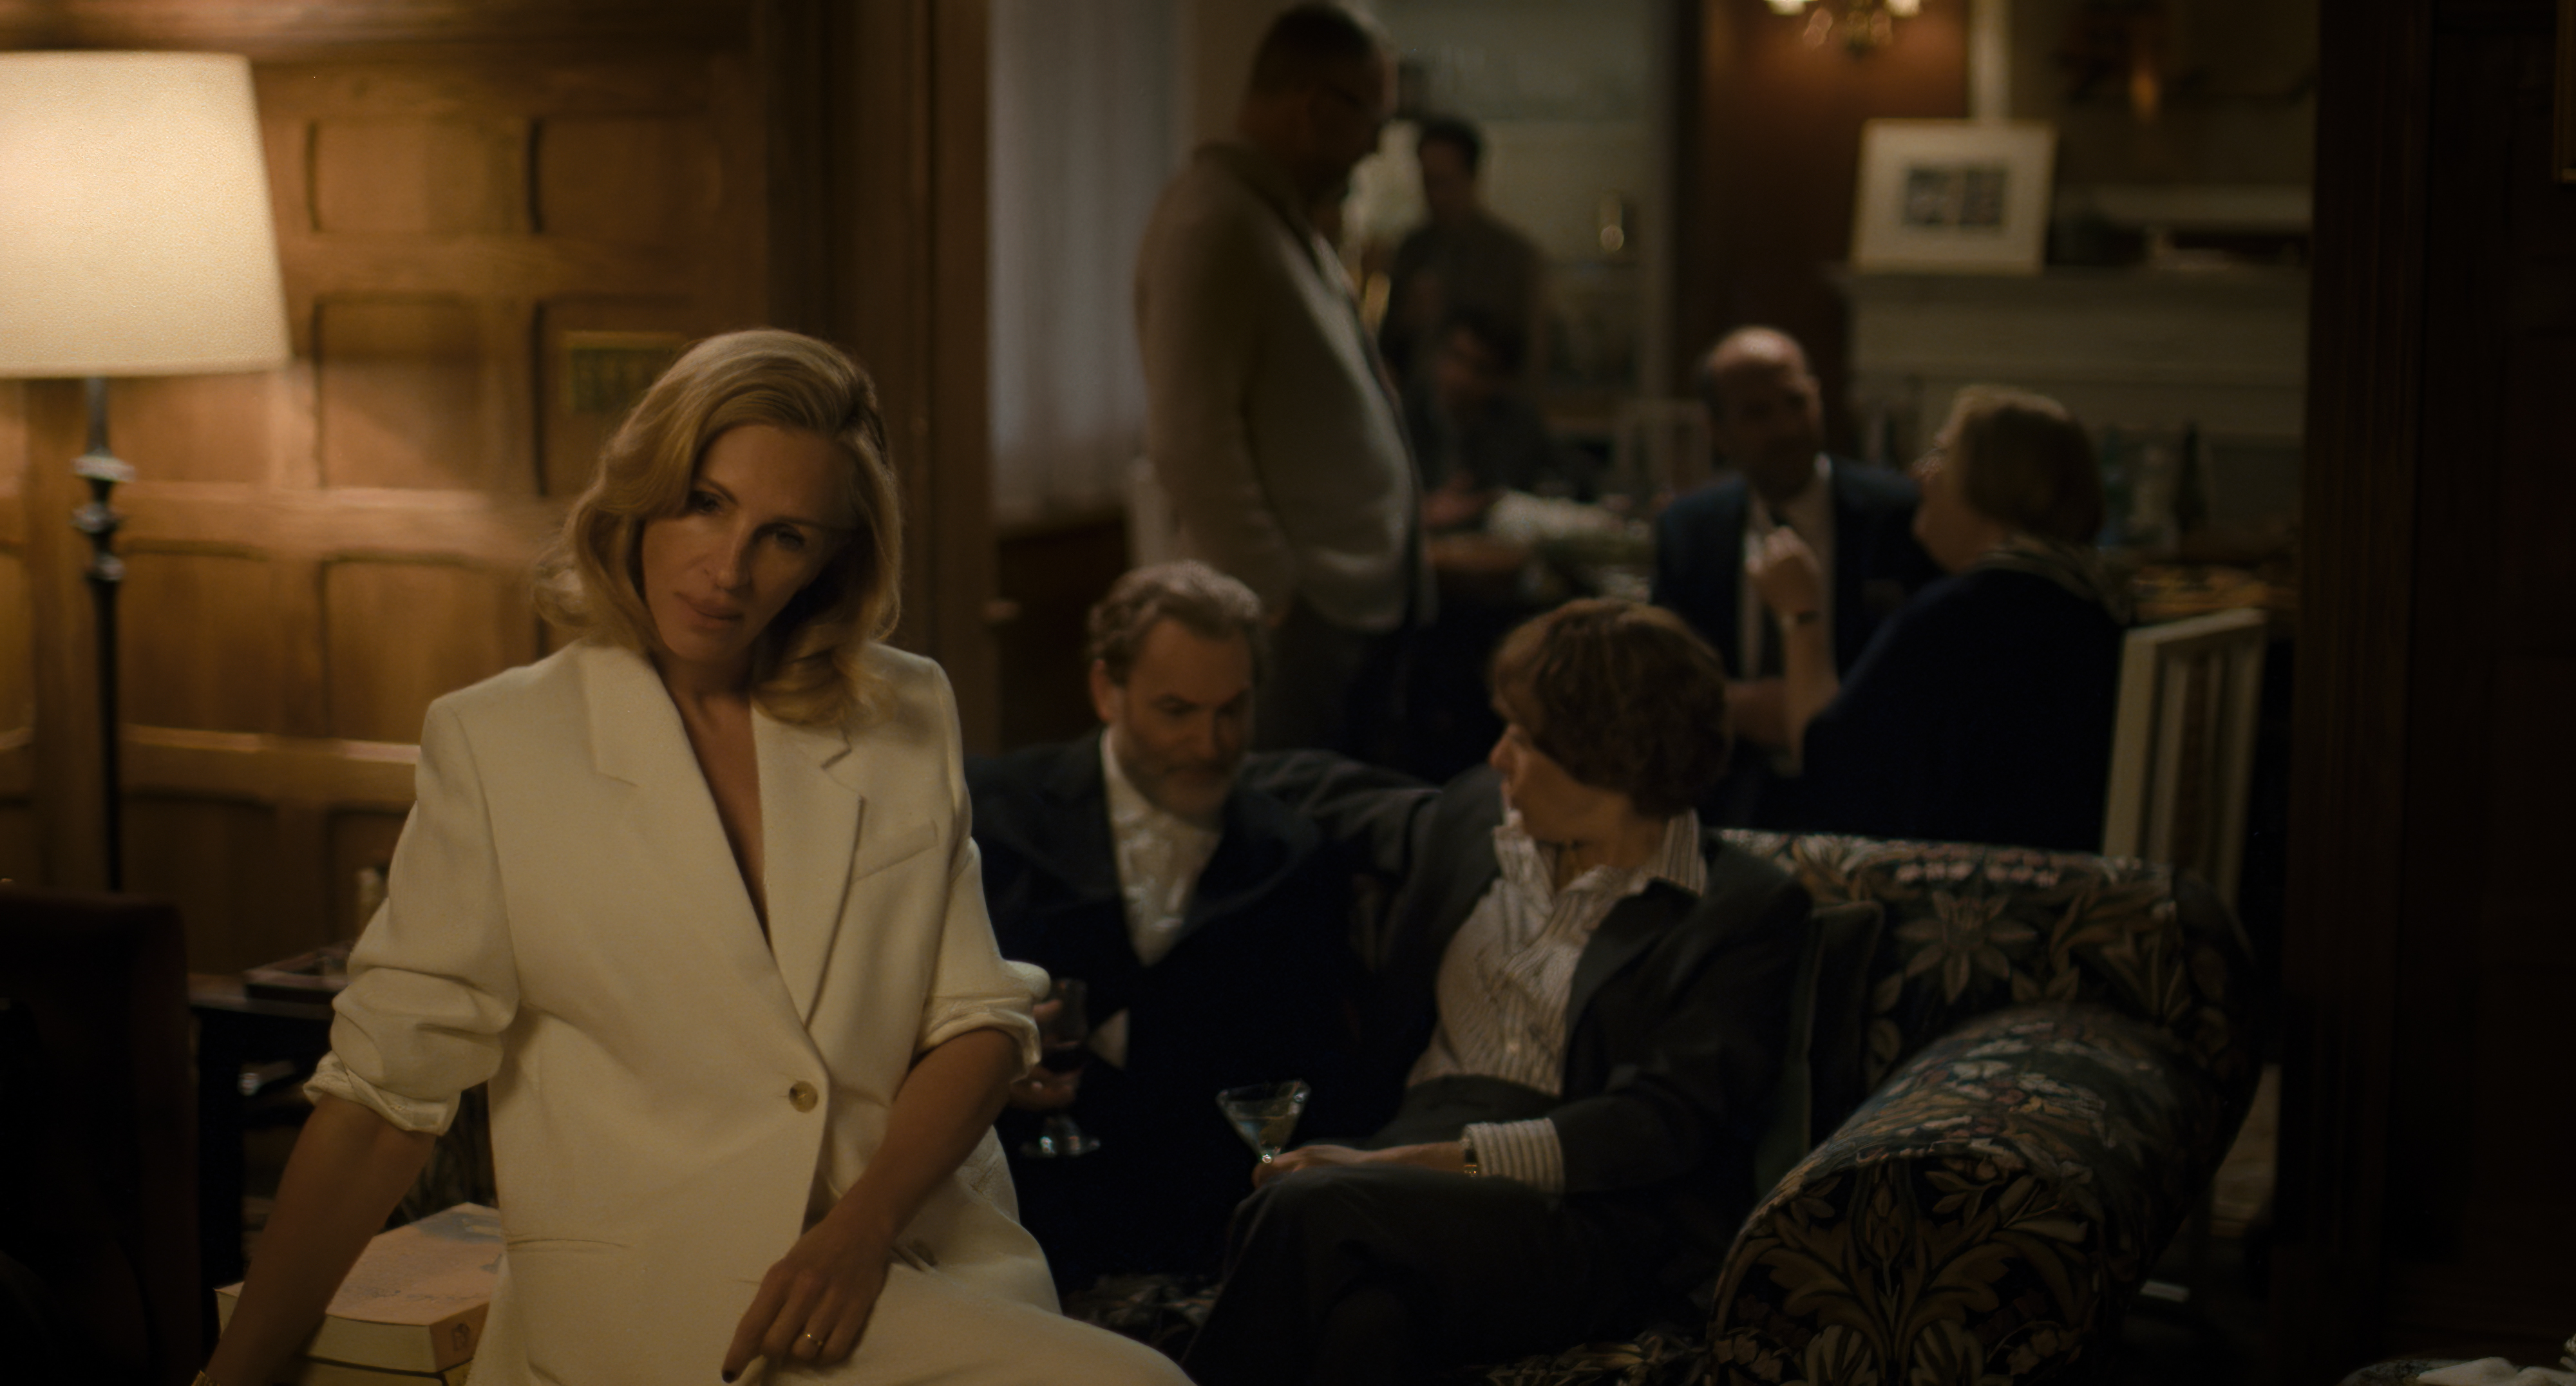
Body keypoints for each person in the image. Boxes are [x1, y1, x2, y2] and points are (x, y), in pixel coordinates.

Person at [198, 330, 1186, 1386]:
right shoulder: (500, 744)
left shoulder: (902, 710)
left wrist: (860, 1227)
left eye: (785, 536)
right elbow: (380, 1105)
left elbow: (978, 1020)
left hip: (898, 1255)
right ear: (640, 497)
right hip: (651, 1301)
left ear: (833, 557)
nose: (729, 569)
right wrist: (233, 1373)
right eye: (705, 504)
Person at [1184, 600, 1813, 1386]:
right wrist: (1161, 770)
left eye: (1522, 736)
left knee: (1298, 1204)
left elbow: (1657, 1122)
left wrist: (1399, 1163)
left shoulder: (1741, 908)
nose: (1497, 754)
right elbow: (1321, 793)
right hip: (1394, 1181)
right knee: (1365, 1323)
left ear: (1606, 757)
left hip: (1580, 1212)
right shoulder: (1477, 818)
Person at [968, 562, 1358, 1285]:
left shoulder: (1292, 856)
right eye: (1176, 711)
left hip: (1198, 1224)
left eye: (1232, 710)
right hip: (1004, 1202)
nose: (1210, 744)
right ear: (1105, 690)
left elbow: (1309, 1074)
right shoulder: (994, 814)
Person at [1133, 3, 1423, 755]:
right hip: (1299, 620)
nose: (1374, 147)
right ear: (1314, 106)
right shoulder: (1214, 220)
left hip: (1339, 607)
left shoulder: (1279, 218)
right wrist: (1270, 594)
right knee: (1285, 811)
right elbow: (1190, 438)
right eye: (1372, 120)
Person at [1750, 385, 2130, 851]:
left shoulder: (1958, 619)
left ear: (1993, 481)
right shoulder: (2095, 603)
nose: (1919, 474)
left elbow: (1831, 768)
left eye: (1943, 455)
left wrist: (1800, 612)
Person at [1651, 326, 1940, 826]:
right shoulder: (1690, 528)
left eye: (1796, 402)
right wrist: (1734, 706)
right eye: (1757, 413)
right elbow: (1660, 676)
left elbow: (1928, 677)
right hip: (1726, 799)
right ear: (1716, 430)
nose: (1786, 428)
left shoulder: (1898, 515)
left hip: (1867, 795)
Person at [1377, 114, 1547, 395]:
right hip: (1416, 410)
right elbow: (1387, 352)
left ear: (1471, 178)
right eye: (1428, 183)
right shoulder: (1413, 250)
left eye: (1444, 183)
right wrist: (1406, 320)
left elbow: (1529, 362)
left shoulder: (1512, 257)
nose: (1435, 197)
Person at [1407, 307, 1584, 533]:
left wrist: (1489, 504)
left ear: (1500, 381)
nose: (1461, 377)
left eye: (1479, 369)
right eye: (1456, 357)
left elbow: (1569, 476)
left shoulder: (1515, 424)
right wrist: (1419, 511)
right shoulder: (1404, 415)